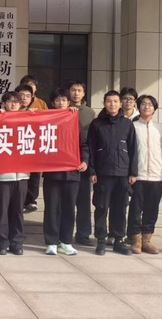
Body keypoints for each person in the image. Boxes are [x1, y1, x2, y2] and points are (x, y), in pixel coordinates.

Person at [87, 90, 138, 256]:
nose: (112, 104)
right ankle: (101, 239)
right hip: (103, 173)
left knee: (120, 208)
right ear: (104, 103)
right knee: (101, 207)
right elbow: (91, 148)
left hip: (122, 173)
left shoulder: (127, 124)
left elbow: (133, 149)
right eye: (109, 101)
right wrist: (92, 171)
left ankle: (118, 240)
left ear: (120, 103)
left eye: (115, 101)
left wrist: (133, 173)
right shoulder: (96, 124)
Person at [43, 88, 88, 256]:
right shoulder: (46, 118)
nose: (61, 103)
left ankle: (66, 241)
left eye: (64, 100)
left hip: (72, 172)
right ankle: (51, 242)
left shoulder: (74, 119)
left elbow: (83, 144)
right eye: (57, 100)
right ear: (52, 103)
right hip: (52, 172)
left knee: (69, 208)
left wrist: (85, 161)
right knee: (52, 208)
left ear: (69, 102)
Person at [127, 95, 162, 254]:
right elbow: (129, 150)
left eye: (150, 104)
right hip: (137, 175)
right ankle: (135, 240)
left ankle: (147, 240)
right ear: (138, 107)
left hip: (156, 176)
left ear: (155, 108)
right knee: (135, 209)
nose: (146, 107)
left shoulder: (161, 128)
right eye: (143, 104)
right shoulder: (132, 126)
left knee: (152, 209)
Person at [0, 91, 28, 255]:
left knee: (18, 211)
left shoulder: (27, 119)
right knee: (1, 210)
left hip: (22, 175)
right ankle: (1, 242)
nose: (13, 104)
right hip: (1, 175)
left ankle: (17, 242)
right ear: (3, 103)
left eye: (16, 102)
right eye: (10, 101)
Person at [68, 80, 97, 246]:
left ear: (84, 93)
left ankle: (83, 234)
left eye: (79, 90)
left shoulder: (90, 113)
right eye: (73, 90)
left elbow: (92, 140)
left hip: (83, 161)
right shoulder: (61, 110)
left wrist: (89, 163)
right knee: (67, 201)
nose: (76, 93)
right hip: (65, 161)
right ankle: (64, 233)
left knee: (83, 201)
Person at [15, 84, 41, 212]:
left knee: (33, 176)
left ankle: (30, 200)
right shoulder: (8, 112)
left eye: (28, 96)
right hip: (14, 151)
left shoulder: (36, 113)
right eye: (21, 95)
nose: (24, 98)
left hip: (31, 149)